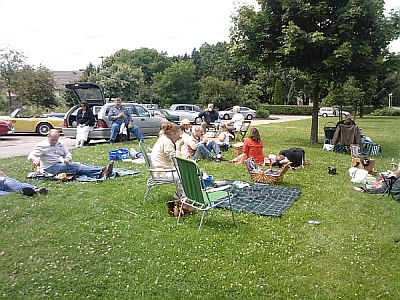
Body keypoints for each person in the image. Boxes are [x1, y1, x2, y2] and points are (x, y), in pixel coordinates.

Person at [28, 129, 114, 179]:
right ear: (48, 137)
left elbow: (67, 153)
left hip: (60, 164)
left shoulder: (60, 144)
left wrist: (67, 159)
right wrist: (34, 159)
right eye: (52, 140)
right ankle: (101, 171)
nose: (54, 142)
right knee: (76, 166)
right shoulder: (42, 145)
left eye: (56, 140)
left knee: (79, 165)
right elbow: (30, 155)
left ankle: (102, 170)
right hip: (50, 168)